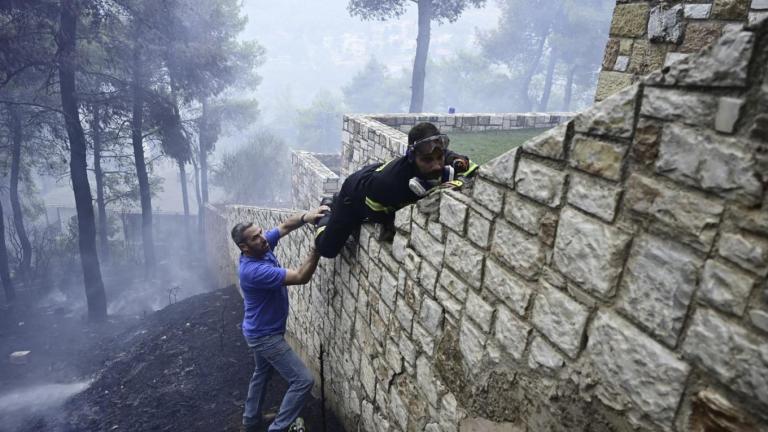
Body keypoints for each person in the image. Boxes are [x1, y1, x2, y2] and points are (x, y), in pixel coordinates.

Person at [315, 121, 478, 258]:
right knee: (327, 249)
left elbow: (475, 171)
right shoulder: (389, 186)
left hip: (378, 173)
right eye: (427, 160)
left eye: (440, 157)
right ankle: (328, 208)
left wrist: (459, 178)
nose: (437, 165)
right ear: (412, 157)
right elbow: (375, 213)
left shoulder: (444, 158)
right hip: (356, 195)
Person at [231, 205, 328, 432]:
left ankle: (251, 420)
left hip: (258, 330)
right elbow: (301, 276)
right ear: (244, 247)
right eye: (256, 238)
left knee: (262, 373)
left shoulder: (261, 248)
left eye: (261, 232)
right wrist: (317, 248)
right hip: (265, 336)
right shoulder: (253, 270)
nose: (263, 238)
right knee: (303, 380)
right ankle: (279, 428)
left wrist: (307, 216)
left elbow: (285, 226)